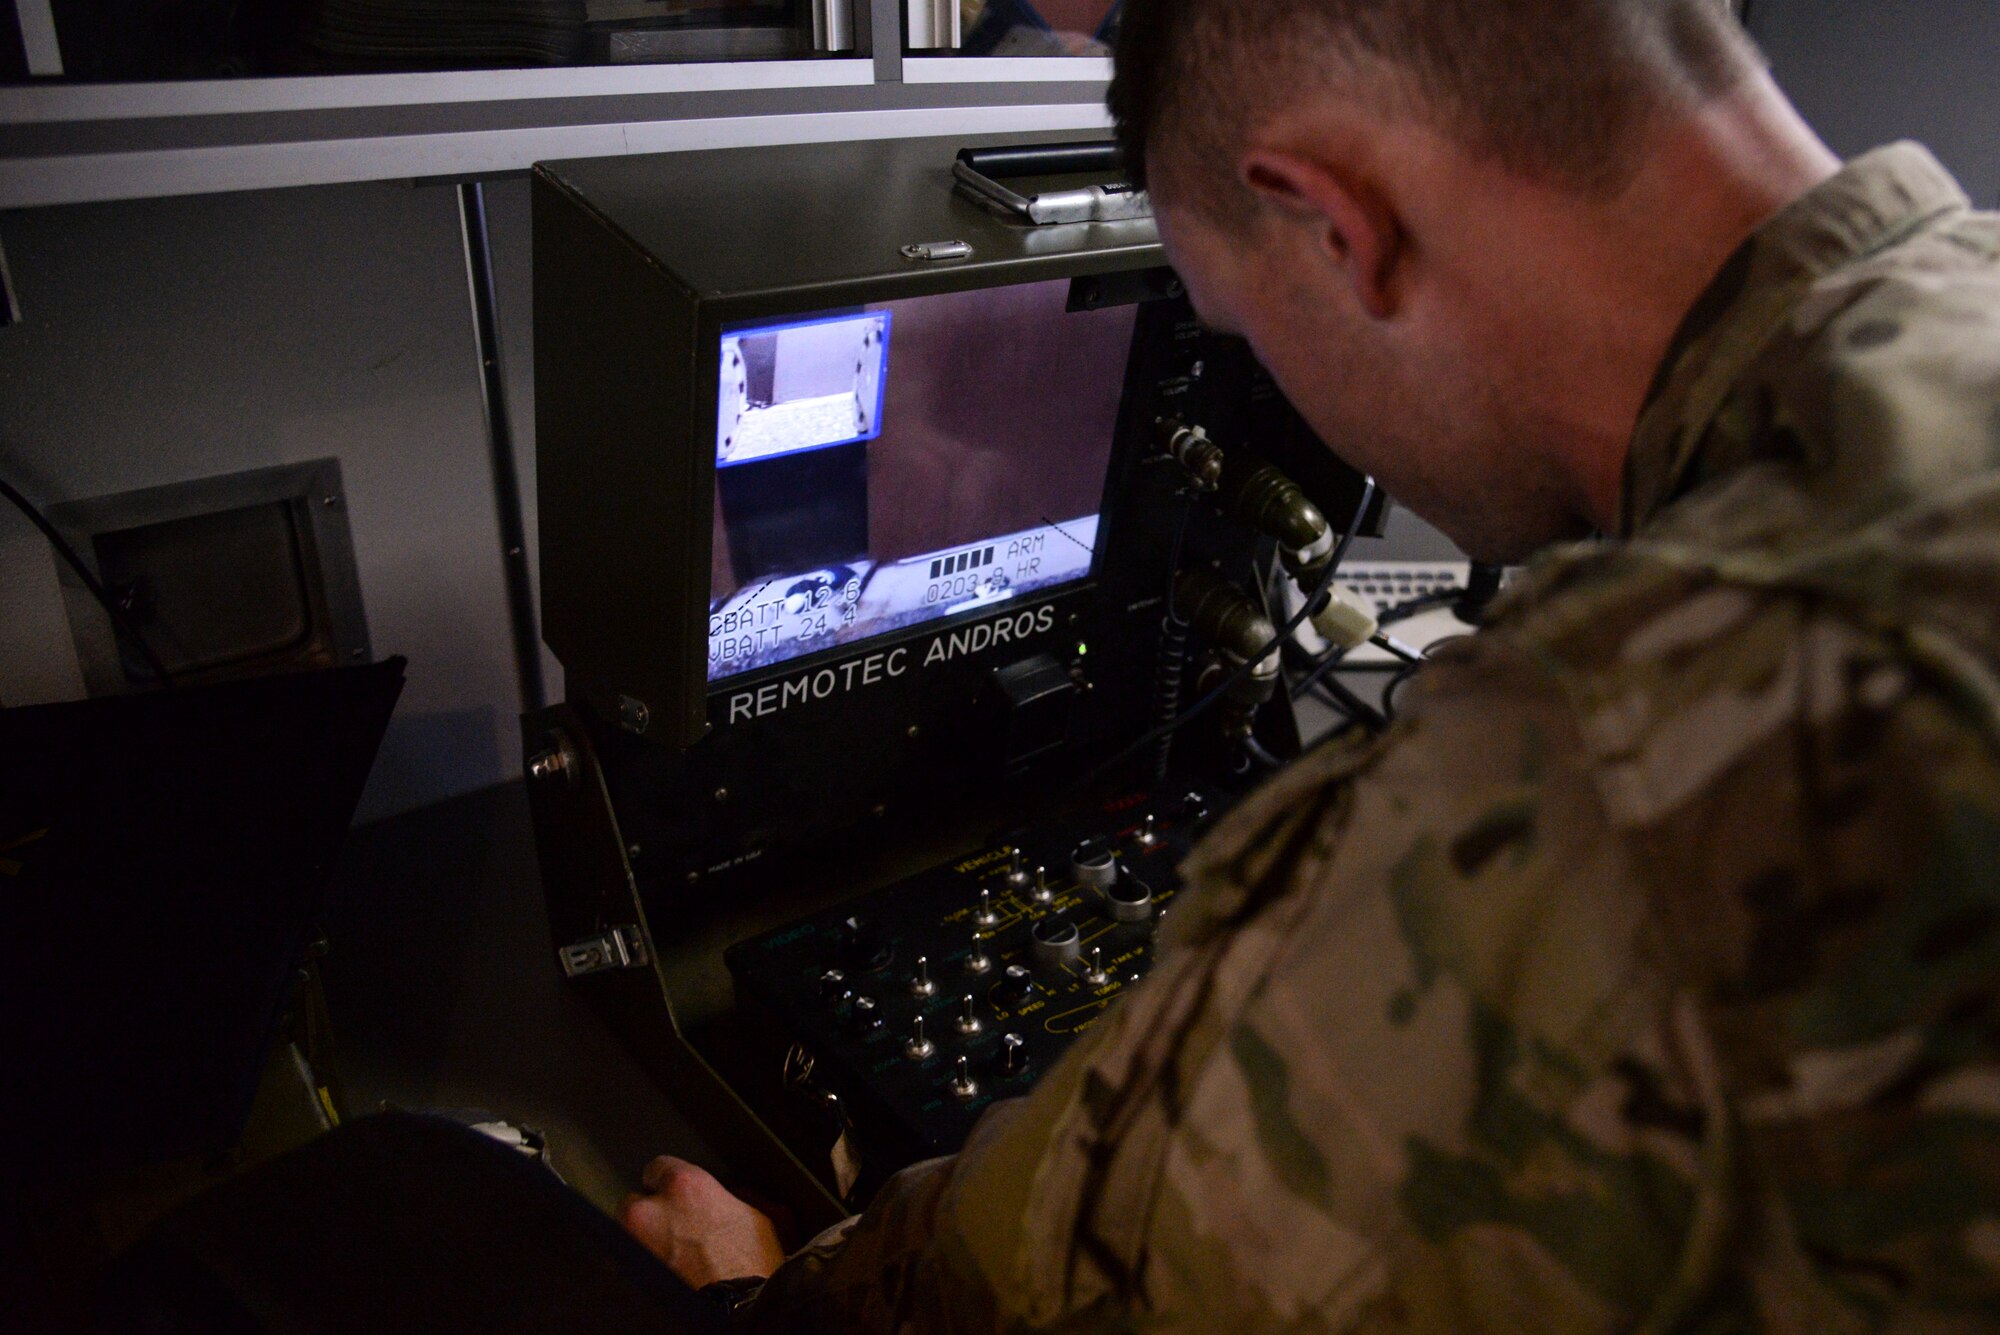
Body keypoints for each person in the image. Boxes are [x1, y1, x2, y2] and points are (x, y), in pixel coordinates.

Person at [621, 1, 2000, 1328]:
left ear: (1341, 223)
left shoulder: (1599, 751)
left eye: (1245, 328)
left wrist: (760, 1296)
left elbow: (1068, 1272)